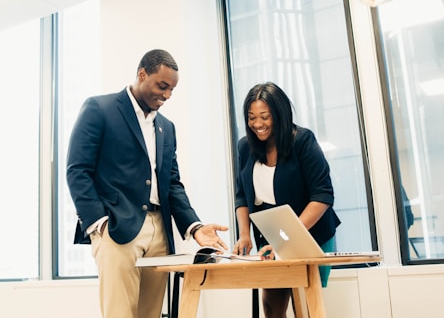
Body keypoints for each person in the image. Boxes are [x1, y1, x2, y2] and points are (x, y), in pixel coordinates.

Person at [66, 49, 229, 318]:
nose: (166, 95)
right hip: (117, 228)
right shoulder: (100, 109)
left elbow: (172, 184)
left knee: (150, 314)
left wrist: (195, 227)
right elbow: (77, 170)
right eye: (162, 86)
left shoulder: (167, 126)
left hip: (160, 230)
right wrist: (99, 224)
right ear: (142, 74)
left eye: (172, 90)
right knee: (120, 313)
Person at [232, 82, 341, 318]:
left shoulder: (302, 141)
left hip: (309, 230)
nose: (257, 124)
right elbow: (242, 195)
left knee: (305, 303)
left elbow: (322, 195)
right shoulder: (245, 147)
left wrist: (289, 238)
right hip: (271, 232)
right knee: (272, 303)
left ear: (279, 115)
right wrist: (244, 234)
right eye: (251, 118)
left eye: (264, 117)